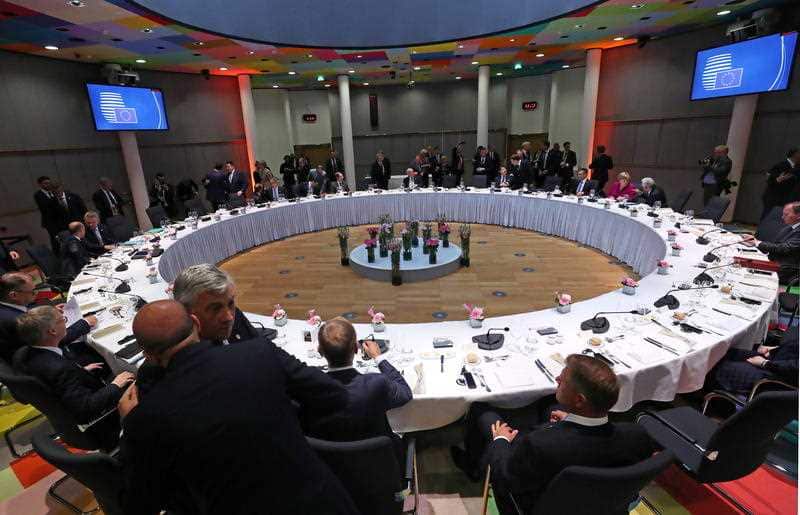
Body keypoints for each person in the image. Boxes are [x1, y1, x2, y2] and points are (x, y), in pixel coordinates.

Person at [117, 300, 357, 515]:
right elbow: (335, 396)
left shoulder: (146, 417)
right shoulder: (259, 352)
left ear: (147, 354)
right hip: (319, 501)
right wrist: (283, 418)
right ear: (195, 323)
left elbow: (139, 503)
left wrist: (128, 426)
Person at [452, 355, 652, 514]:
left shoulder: (539, 445)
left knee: (481, 411)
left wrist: (501, 440)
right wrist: (569, 418)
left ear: (580, 400)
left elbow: (504, 479)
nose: (556, 380)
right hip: (606, 506)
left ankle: (474, 467)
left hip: (530, 505)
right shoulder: (637, 435)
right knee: (549, 401)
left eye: (563, 381)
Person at [13, 305, 133, 450]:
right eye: (62, 320)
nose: (65, 322)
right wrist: (115, 385)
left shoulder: (22, 353)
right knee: (140, 378)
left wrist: (79, 370)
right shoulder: (60, 369)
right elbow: (86, 409)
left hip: (65, 418)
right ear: (52, 331)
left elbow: (51, 380)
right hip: (101, 423)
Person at [303, 318, 412, 448]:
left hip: (329, 464)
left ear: (320, 351)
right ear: (356, 348)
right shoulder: (377, 383)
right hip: (381, 463)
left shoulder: (309, 390)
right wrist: (379, 358)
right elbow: (405, 393)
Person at [0, 272, 99, 364]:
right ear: (14, 295)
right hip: (45, 360)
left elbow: (25, 309)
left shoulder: (7, 305)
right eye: (32, 292)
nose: (36, 294)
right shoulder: (15, 320)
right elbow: (54, 339)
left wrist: (49, 311)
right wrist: (85, 323)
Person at [172, 263, 260, 345]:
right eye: (215, 309)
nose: (229, 318)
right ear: (186, 312)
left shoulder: (237, 316)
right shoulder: (184, 355)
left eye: (231, 304)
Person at [711, 329, 798, 395]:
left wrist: (765, 363)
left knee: (724, 367)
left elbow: (795, 368)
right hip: (777, 360)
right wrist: (775, 349)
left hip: (777, 377)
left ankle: (716, 406)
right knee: (726, 353)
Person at [742, 201, 800, 284]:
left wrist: (757, 243)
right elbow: (776, 244)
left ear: (798, 216)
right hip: (773, 259)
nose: (782, 217)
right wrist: (754, 241)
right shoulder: (790, 227)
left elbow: (784, 248)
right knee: (739, 261)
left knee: (745, 272)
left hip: (787, 269)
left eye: (786, 214)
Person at [761, 148, 800, 220]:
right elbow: (769, 178)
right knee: (767, 216)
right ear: (795, 155)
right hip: (773, 197)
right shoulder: (781, 165)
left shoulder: (796, 167)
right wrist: (778, 179)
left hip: (784, 199)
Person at [34, 175, 61, 250]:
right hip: (49, 221)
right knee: (55, 238)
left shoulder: (52, 192)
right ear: (40, 184)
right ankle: (57, 254)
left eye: (49, 183)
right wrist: (54, 197)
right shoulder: (38, 195)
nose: (48, 185)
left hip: (59, 219)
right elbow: (44, 207)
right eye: (45, 183)